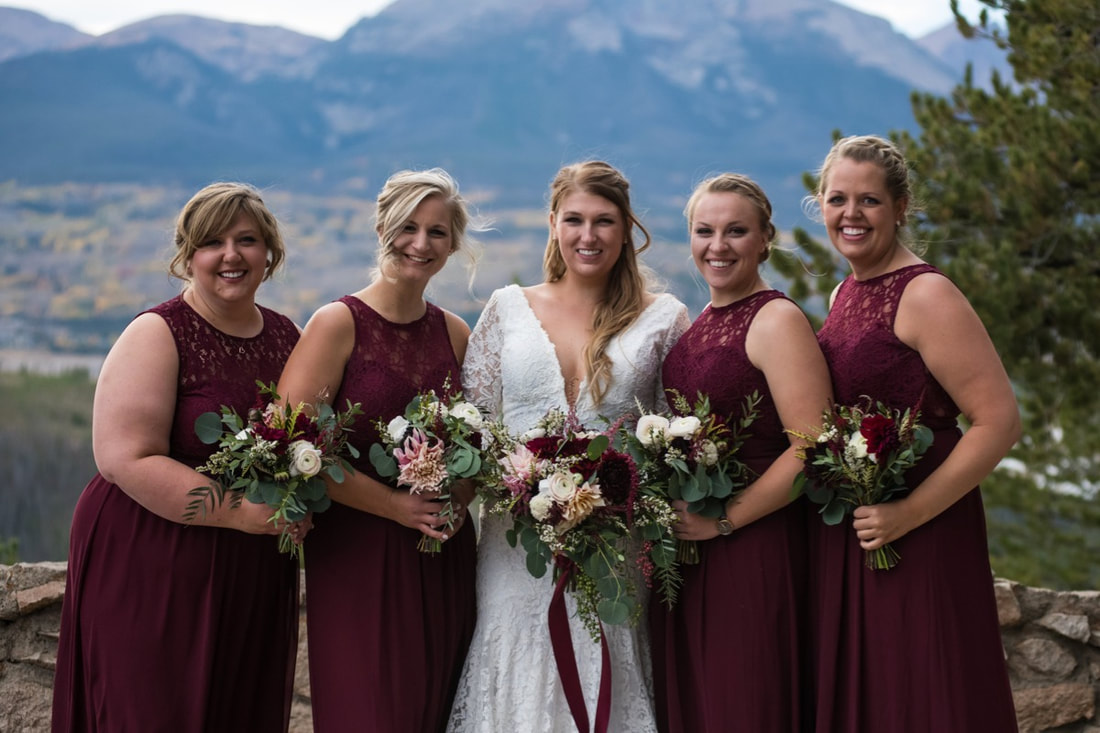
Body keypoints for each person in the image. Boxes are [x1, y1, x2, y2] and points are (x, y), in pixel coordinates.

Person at [448, 160, 690, 733]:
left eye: (604, 221)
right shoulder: (507, 308)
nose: (589, 235)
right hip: (514, 548)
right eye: (575, 219)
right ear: (553, 222)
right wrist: (514, 484)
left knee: (608, 670)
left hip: (615, 547)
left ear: (627, 228)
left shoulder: (665, 318)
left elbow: (674, 437)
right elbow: (472, 431)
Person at [51, 183, 302, 732]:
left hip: (249, 568)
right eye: (212, 242)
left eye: (247, 240)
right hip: (150, 553)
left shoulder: (288, 338)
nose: (231, 255)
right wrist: (241, 512)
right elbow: (124, 458)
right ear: (189, 256)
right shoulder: (158, 332)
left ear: (270, 253)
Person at [806, 135, 1020, 732]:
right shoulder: (844, 292)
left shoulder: (926, 293)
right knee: (878, 693)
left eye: (869, 200)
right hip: (863, 527)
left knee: (927, 686)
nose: (851, 214)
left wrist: (908, 513)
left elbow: (999, 421)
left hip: (922, 526)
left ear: (900, 207)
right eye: (837, 199)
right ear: (821, 205)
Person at [275, 168, 479, 733]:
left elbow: (477, 444)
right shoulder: (338, 323)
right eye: (408, 227)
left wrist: (459, 496)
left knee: (437, 708)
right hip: (358, 553)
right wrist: (394, 506)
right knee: (372, 710)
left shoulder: (456, 334)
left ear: (453, 244)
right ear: (381, 228)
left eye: (437, 232)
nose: (421, 243)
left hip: (442, 554)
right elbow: (292, 444)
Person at [650, 173, 832, 732]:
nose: (718, 246)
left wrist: (724, 520)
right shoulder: (702, 322)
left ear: (765, 239)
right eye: (705, 231)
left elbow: (812, 447)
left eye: (736, 231)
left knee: (745, 702)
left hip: (754, 546)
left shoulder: (776, 319)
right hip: (692, 553)